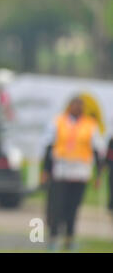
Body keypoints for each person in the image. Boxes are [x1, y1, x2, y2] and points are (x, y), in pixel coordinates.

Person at [41, 96, 104, 251]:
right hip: (60, 172)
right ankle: (54, 237)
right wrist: (45, 170)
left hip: (80, 174)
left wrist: (99, 175)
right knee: (56, 207)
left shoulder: (90, 125)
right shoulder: (58, 122)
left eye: (80, 106)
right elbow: (49, 147)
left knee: (73, 208)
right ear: (69, 107)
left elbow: (97, 151)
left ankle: (69, 239)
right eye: (75, 105)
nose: (77, 109)